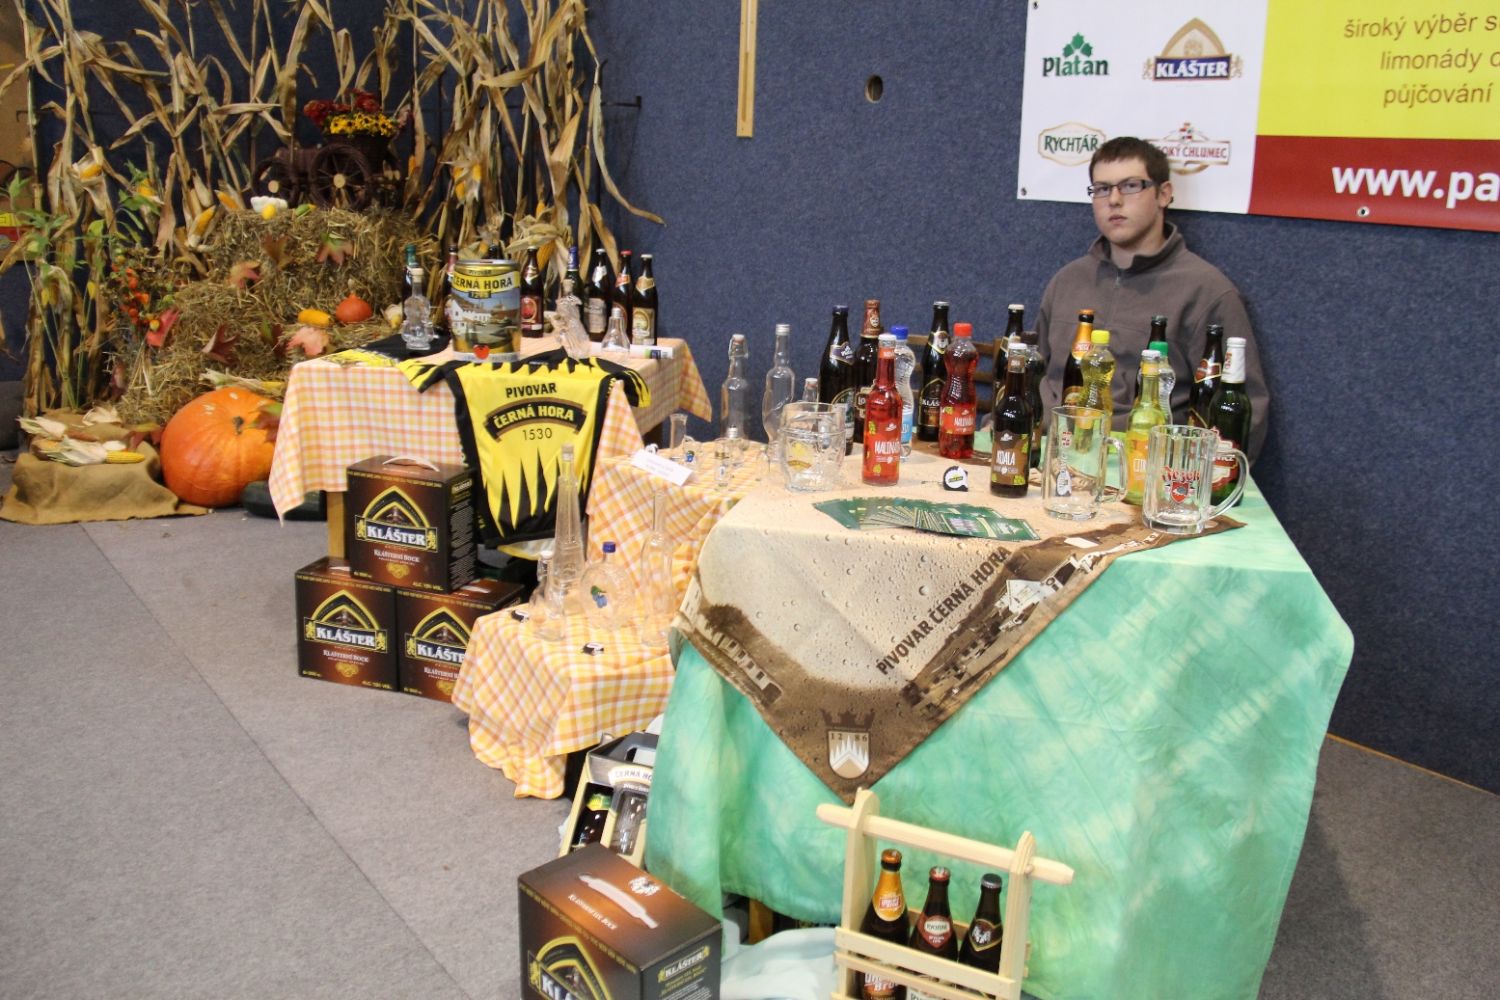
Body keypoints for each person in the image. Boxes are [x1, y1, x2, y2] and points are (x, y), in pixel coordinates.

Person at [1035, 137, 1268, 460]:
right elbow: (1032, 374)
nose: (1114, 200)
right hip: (1047, 456)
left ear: (1163, 194)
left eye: (1130, 186)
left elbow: (1245, 413)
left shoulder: (1208, 291)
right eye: (1102, 189)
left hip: (1141, 464)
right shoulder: (1067, 281)